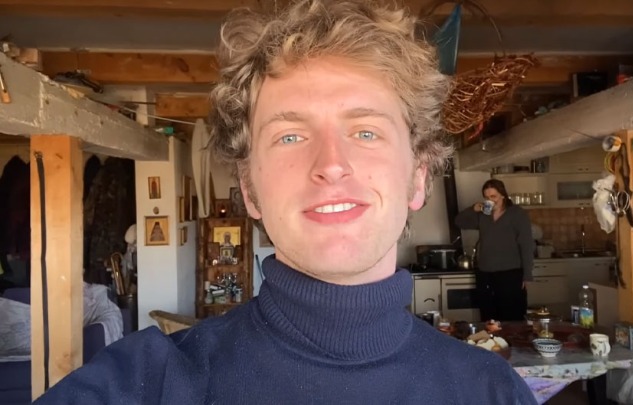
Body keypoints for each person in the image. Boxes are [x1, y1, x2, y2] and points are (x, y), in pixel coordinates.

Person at [35, 1, 537, 404]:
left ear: (418, 177)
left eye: (366, 131)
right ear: (250, 188)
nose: (332, 164)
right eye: (290, 137)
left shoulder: (491, 391)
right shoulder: (146, 384)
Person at [455, 179, 534, 322]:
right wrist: (473, 209)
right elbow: (459, 222)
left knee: (512, 317)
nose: (490, 200)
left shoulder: (517, 213)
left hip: (510, 274)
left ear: (503, 195)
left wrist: (527, 275)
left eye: (493, 196)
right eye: (487, 197)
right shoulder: (483, 215)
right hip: (485, 274)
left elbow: (526, 244)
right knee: (488, 318)